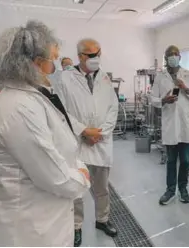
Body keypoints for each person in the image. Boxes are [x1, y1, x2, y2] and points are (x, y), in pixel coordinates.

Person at [0, 20, 91, 247]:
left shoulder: (32, 96)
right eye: (52, 60)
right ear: (36, 63)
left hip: (45, 219)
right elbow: (56, 178)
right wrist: (82, 175)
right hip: (30, 230)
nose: (54, 65)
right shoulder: (20, 108)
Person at [54, 38, 119, 247]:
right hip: (78, 143)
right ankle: (76, 226)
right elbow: (61, 110)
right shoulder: (65, 78)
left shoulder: (105, 79)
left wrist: (101, 133)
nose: (96, 58)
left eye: (98, 54)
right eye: (91, 55)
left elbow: (113, 108)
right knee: (77, 188)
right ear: (80, 56)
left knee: (102, 188)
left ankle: (102, 220)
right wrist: (84, 131)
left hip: (100, 140)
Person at [151, 45, 189, 205]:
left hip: (186, 123)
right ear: (165, 58)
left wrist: (186, 88)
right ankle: (170, 190)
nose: (172, 57)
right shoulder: (160, 77)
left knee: (184, 160)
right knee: (171, 160)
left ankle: (183, 189)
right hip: (170, 122)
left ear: (180, 57)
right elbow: (153, 99)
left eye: (175, 54)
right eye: (169, 55)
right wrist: (163, 100)